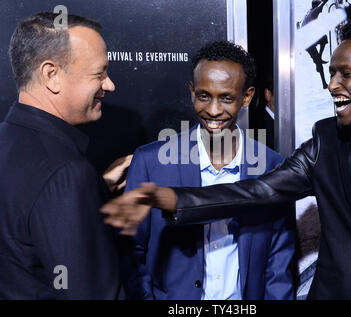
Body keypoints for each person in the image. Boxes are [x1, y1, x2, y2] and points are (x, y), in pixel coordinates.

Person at [102, 16, 351, 299]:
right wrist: (167, 197)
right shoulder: (327, 142)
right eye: (331, 73)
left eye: (344, 74)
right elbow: (255, 192)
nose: (331, 84)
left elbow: (277, 258)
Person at [120, 41, 295, 300]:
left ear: (246, 97)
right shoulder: (151, 162)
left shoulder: (272, 167)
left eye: (226, 98)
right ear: (192, 92)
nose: (213, 110)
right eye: (204, 96)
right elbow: (130, 251)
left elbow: (278, 263)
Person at [0, 12, 127, 299]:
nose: (109, 85)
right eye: (99, 73)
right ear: (51, 75)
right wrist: (79, 189)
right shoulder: (67, 173)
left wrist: (95, 192)